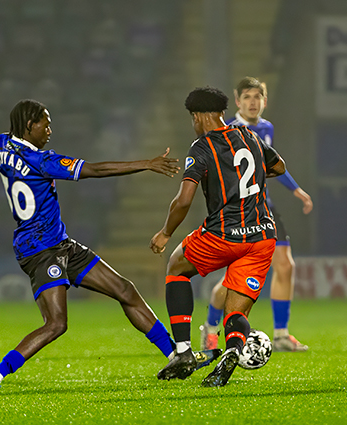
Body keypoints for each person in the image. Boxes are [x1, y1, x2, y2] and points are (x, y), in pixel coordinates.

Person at [0, 99, 219, 390]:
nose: (50, 128)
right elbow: (96, 170)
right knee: (56, 323)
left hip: (60, 244)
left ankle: (176, 355)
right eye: (44, 123)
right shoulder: (42, 161)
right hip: (39, 252)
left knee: (125, 289)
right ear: (29, 125)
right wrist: (146, 164)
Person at [149, 86, 286, 387]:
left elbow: (183, 200)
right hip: (262, 235)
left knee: (176, 266)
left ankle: (183, 351)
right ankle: (234, 350)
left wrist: (165, 232)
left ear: (198, 116)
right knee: (235, 311)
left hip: (224, 234)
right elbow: (279, 166)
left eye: (192, 118)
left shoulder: (201, 147)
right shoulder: (250, 136)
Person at [199, 76, 312, 353]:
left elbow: (271, 163)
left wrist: (296, 190)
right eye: (247, 97)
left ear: (265, 101)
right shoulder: (228, 131)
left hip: (265, 209)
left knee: (285, 265)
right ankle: (211, 328)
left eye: (257, 97)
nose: (253, 102)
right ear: (237, 102)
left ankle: (282, 334)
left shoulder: (265, 128)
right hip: (237, 213)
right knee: (232, 282)